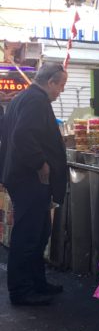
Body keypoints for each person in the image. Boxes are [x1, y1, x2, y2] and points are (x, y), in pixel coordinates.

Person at [0, 62, 68, 305]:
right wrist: (41, 164)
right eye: (60, 85)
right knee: (28, 235)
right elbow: (22, 135)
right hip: (29, 179)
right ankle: (21, 291)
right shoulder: (35, 100)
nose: (61, 91)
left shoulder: (23, 98)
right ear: (50, 82)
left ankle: (37, 283)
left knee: (39, 234)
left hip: (23, 178)